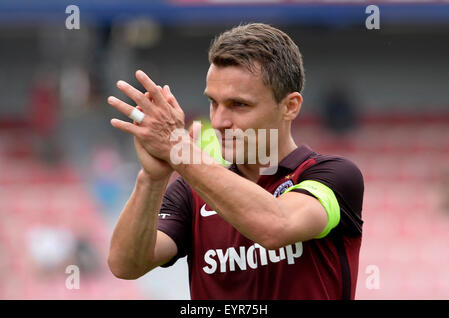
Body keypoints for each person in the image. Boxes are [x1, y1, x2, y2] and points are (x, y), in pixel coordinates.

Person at [106, 23, 364, 299]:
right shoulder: (192, 192)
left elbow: (276, 226)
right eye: (214, 103)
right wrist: (152, 179)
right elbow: (125, 264)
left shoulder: (333, 176)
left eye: (239, 105)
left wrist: (177, 149)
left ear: (290, 106)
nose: (219, 121)